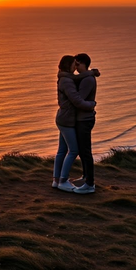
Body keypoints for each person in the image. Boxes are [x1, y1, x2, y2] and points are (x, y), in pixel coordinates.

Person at [53, 55, 96, 192]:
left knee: (62, 151)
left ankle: (56, 180)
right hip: (67, 120)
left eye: (77, 64)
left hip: (63, 118)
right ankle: (63, 180)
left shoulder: (65, 78)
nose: (75, 67)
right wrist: (91, 104)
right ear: (69, 66)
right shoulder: (67, 81)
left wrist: (91, 72)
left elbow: (77, 78)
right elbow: (77, 101)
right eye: (74, 64)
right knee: (74, 150)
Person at [72, 53, 97, 194]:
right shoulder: (86, 77)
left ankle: (90, 184)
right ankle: (85, 177)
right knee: (82, 150)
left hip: (85, 119)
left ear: (83, 64)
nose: (75, 68)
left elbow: (79, 99)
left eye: (77, 64)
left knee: (85, 151)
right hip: (83, 118)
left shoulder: (87, 79)